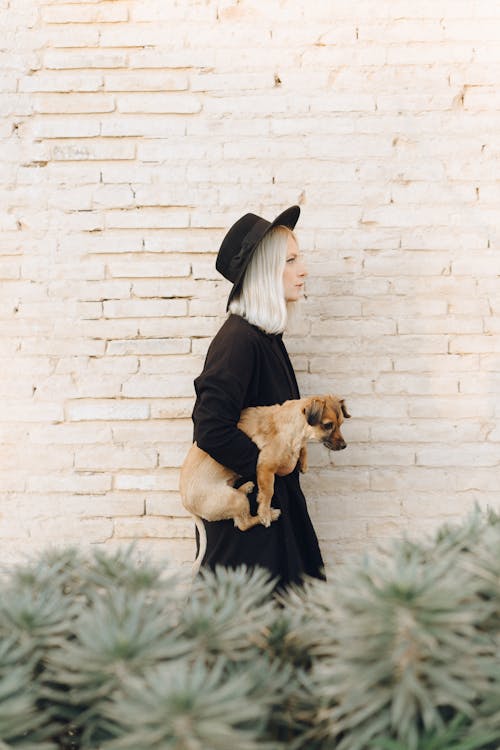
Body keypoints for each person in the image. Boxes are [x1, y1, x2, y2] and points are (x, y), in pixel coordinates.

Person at [190, 205, 325, 588]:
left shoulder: (263, 339)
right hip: (249, 521)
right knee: (239, 633)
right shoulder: (238, 342)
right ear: (265, 272)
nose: (304, 270)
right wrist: (269, 466)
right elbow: (211, 428)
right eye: (291, 261)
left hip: (271, 508)